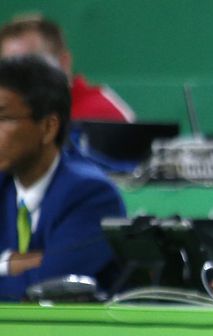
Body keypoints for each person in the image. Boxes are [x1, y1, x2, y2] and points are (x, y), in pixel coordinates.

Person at [0, 54, 124, 301]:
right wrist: (8, 263)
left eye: (3, 118)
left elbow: (41, 289)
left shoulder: (92, 195)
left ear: (48, 127)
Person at [0, 15, 134, 122]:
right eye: (9, 68)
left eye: (30, 65)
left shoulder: (102, 115)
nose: (18, 76)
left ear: (64, 63)